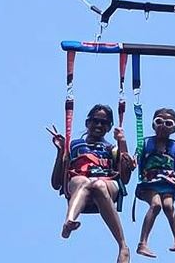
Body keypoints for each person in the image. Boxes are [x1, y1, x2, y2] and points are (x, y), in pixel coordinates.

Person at [48, 104, 135, 263]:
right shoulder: (74, 145)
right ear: (88, 123)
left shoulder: (112, 149)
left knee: (98, 185)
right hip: (79, 180)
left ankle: (123, 246)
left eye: (104, 123)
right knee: (84, 182)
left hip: (106, 183)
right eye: (95, 121)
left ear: (109, 127)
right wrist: (61, 151)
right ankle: (69, 221)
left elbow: (125, 180)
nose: (99, 125)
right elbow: (56, 183)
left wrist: (123, 145)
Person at [133, 108, 175, 257]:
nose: (163, 126)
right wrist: (130, 163)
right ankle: (142, 243)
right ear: (153, 124)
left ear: (174, 128)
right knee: (156, 205)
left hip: (169, 181)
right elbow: (135, 160)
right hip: (149, 180)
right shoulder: (145, 143)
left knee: (168, 206)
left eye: (168, 123)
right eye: (159, 122)